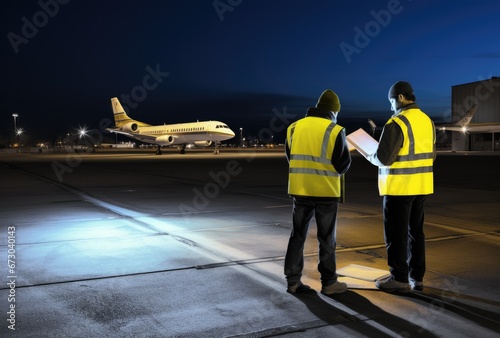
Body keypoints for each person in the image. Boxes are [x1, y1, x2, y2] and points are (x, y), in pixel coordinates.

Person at [367, 81, 436, 292]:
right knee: (416, 232)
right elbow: (431, 155)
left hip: (399, 187)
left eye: (390, 101)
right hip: (421, 185)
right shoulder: (427, 121)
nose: (390, 107)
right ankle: (417, 277)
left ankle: (399, 279)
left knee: (396, 234)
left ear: (400, 98)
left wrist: (369, 154)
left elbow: (384, 158)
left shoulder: (397, 122)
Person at [284, 89, 351, 295]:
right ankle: (329, 283)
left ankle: (293, 281)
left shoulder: (293, 128)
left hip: (300, 190)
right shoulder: (335, 130)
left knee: (298, 235)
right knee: (326, 238)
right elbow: (343, 164)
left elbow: (290, 156)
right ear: (334, 111)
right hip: (326, 191)